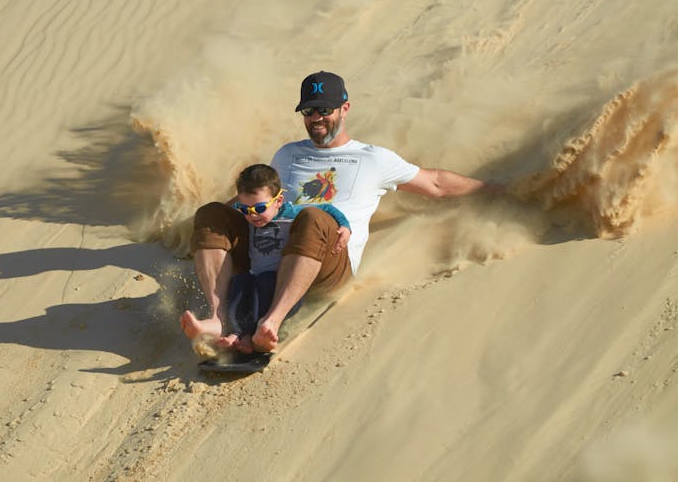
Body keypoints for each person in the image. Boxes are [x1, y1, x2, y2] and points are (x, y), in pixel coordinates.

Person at [182, 70, 496, 353]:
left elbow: (436, 183)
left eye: (324, 110)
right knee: (212, 212)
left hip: (329, 259)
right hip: (268, 254)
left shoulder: (373, 159)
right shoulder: (287, 153)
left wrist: (497, 191)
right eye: (309, 110)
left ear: (345, 109)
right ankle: (218, 317)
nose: (316, 117)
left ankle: (271, 322)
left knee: (313, 216)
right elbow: (258, 199)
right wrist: (208, 231)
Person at [214, 163, 351, 353]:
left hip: (281, 284)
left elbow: (327, 208)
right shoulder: (251, 218)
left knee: (265, 283)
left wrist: (345, 226)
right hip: (256, 276)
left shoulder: (292, 213)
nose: (252, 215)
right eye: (245, 209)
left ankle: (252, 334)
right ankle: (236, 332)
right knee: (240, 282)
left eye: (259, 207)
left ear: (278, 201)